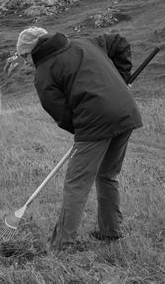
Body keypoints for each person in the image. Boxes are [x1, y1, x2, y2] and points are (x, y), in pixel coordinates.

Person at [16, 27, 142, 250]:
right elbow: (118, 42)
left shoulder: (44, 73)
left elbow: (62, 114)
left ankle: (61, 245)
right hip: (126, 112)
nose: (26, 62)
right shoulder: (86, 41)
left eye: (24, 56)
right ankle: (110, 232)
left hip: (96, 123)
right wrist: (122, 78)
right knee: (107, 175)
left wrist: (84, 133)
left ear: (31, 51)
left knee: (76, 184)